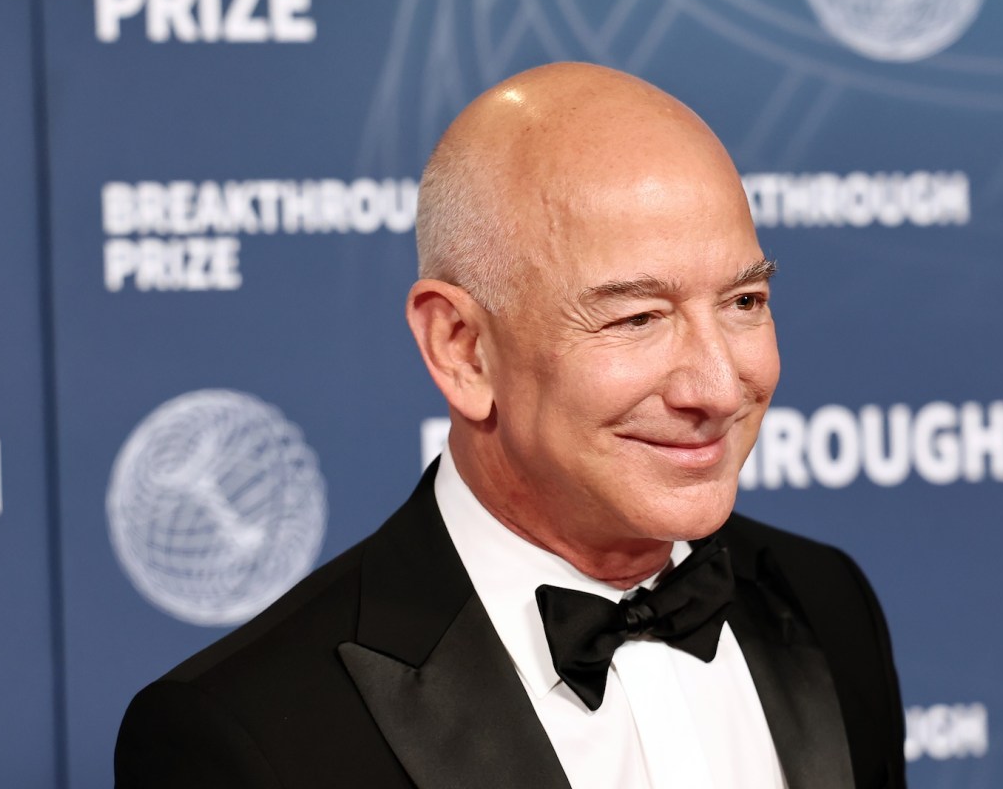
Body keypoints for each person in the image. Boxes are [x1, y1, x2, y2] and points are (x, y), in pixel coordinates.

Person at [115, 62, 905, 789]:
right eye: (637, 317)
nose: (715, 385)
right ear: (463, 350)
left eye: (744, 303)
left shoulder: (825, 603)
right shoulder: (244, 735)